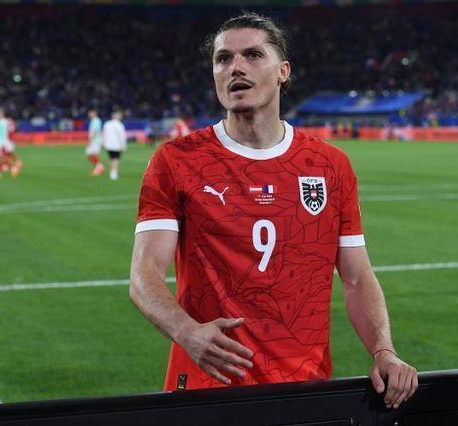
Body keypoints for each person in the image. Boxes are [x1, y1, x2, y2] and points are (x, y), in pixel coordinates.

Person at [129, 12, 417, 409]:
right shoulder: (176, 161)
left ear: (283, 71)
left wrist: (383, 350)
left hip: (305, 389)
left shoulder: (330, 165)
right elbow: (143, 274)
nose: (236, 67)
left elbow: (356, 277)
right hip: (206, 389)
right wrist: (186, 331)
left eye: (252, 55)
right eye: (223, 58)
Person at [0, 108, 22, 180]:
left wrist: (6, 142)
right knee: (1, 157)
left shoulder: (3, 122)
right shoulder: (1, 121)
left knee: (2, 157)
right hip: (0, 142)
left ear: (1, 113)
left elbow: (7, 132)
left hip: (2, 142)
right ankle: (12, 168)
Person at [102, 110, 127, 180]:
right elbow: (122, 136)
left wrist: (103, 143)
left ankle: (112, 171)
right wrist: (123, 145)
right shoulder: (119, 125)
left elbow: (103, 134)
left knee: (111, 158)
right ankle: (114, 172)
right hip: (116, 145)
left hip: (108, 145)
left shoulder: (107, 124)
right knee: (115, 159)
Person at [86, 109, 105, 176]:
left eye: (90, 113)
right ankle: (99, 167)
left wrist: (90, 140)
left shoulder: (96, 121)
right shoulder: (94, 121)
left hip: (95, 140)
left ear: (94, 113)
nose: (89, 115)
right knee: (90, 155)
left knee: (92, 154)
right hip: (95, 140)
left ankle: (98, 168)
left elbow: (95, 131)